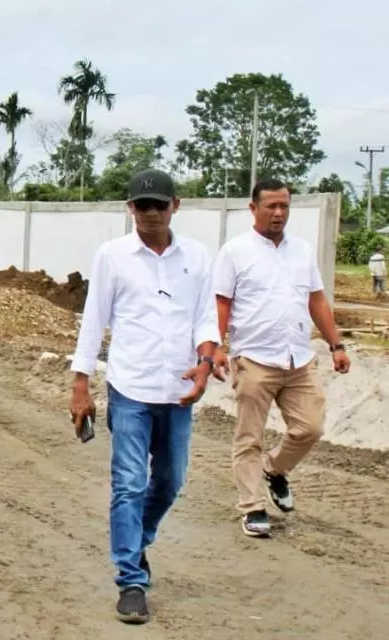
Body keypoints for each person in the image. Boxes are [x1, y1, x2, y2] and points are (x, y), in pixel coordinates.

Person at [69, 169, 219, 625]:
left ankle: (140, 539)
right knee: (129, 483)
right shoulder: (113, 256)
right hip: (130, 388)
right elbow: (94, 320)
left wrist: (207, 362)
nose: (150, 213)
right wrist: (80, 384)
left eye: (159, 204)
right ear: (130, 209)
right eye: (141, 205)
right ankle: (131, 579)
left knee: (170, 481)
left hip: (178, 392)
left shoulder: (196, 256)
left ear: (176, 205)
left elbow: (206, 317)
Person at [211, 178, 350, 538]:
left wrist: (336, 344)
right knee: (249, 438)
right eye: (271, 206)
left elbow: (316, 300)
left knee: (310, 427)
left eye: (284, 206)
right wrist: (216, 347)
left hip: (298, 358)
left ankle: (274, 470)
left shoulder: (301, 250)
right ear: (253, 208)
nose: (278, 213)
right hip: (254, 359)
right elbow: (221, 303)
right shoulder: (235, 251)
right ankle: (253, 507)